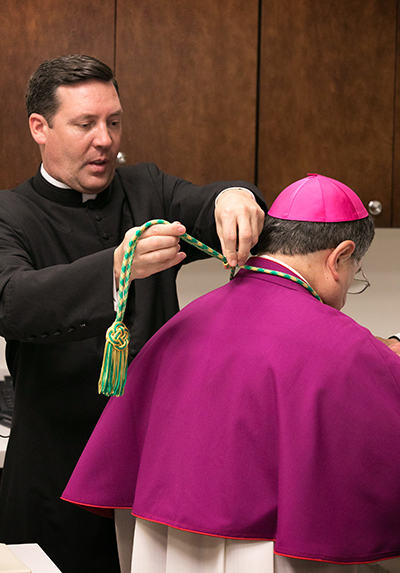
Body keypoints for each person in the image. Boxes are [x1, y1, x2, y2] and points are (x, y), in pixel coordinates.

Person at [0, 54, 266, 573]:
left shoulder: (148, 188)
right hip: (55, 472)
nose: (105, 140)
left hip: (155, 466)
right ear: (40, 127)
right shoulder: (9, 213)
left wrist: (237, 195)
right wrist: (117, 267)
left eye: (114, 122)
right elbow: (12, 301)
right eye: (85, 124)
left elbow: (207, 202)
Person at [63, 174, 400, 573]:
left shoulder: (186, 321)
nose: (347, 290)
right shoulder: (348, 347)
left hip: (163, 543)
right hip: (267, 553)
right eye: (355, 272)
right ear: (339, 257)